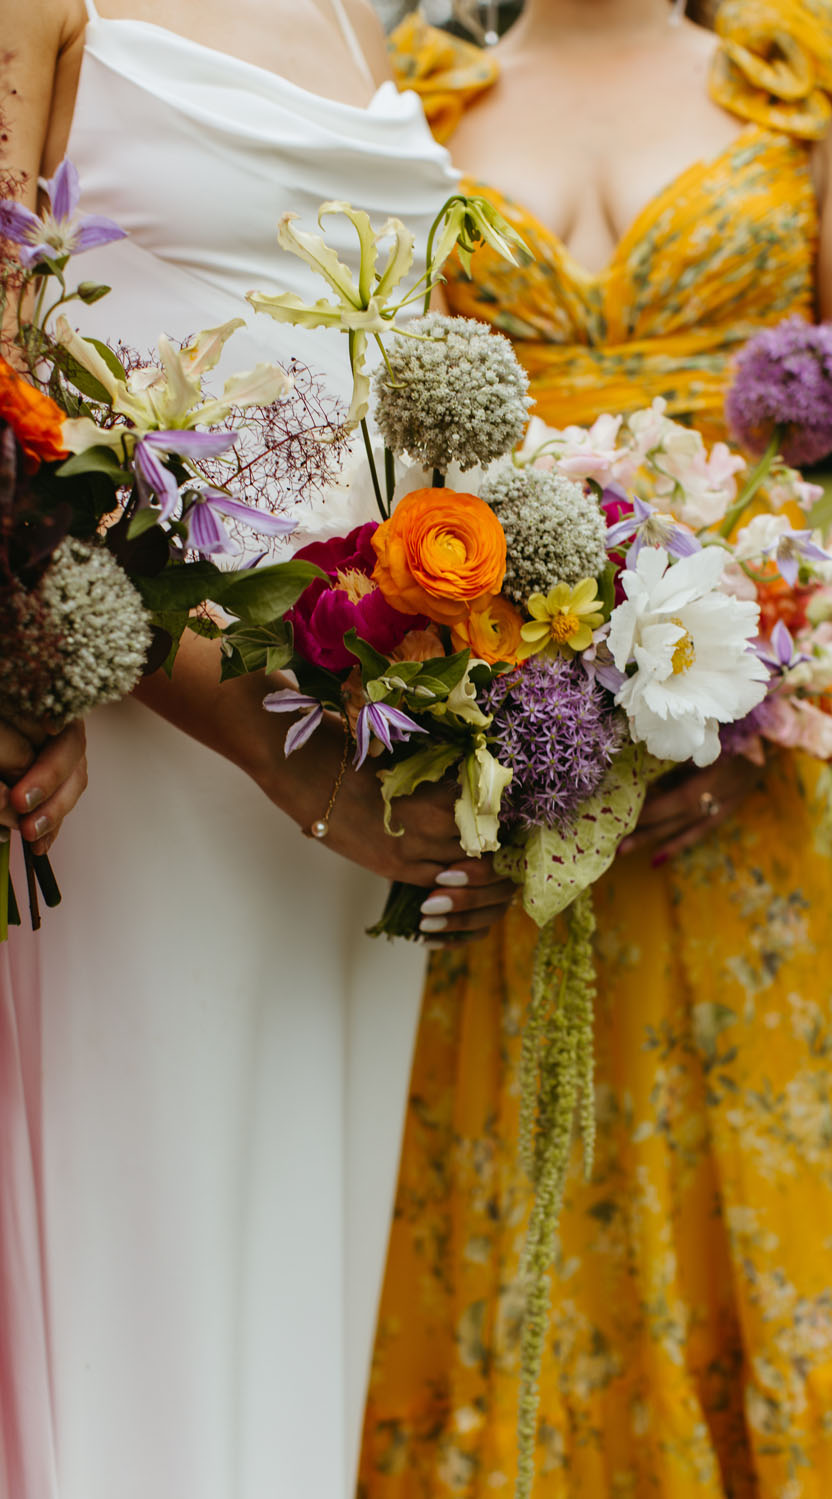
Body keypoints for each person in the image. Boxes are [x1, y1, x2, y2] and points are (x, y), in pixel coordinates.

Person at [361, 1, 832, 1495]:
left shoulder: (801, 96)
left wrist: (774, 687)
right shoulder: (413, 101)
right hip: (491, 756)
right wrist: (457, 700)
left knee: (741, 1178)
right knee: (494, 1178)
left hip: (744, 776)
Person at [0, 1, 514, 1494]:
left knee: (297, 1251)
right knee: (137, 1272)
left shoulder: (370, 10)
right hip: (154, 725)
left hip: (358, 727)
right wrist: (270, 749)